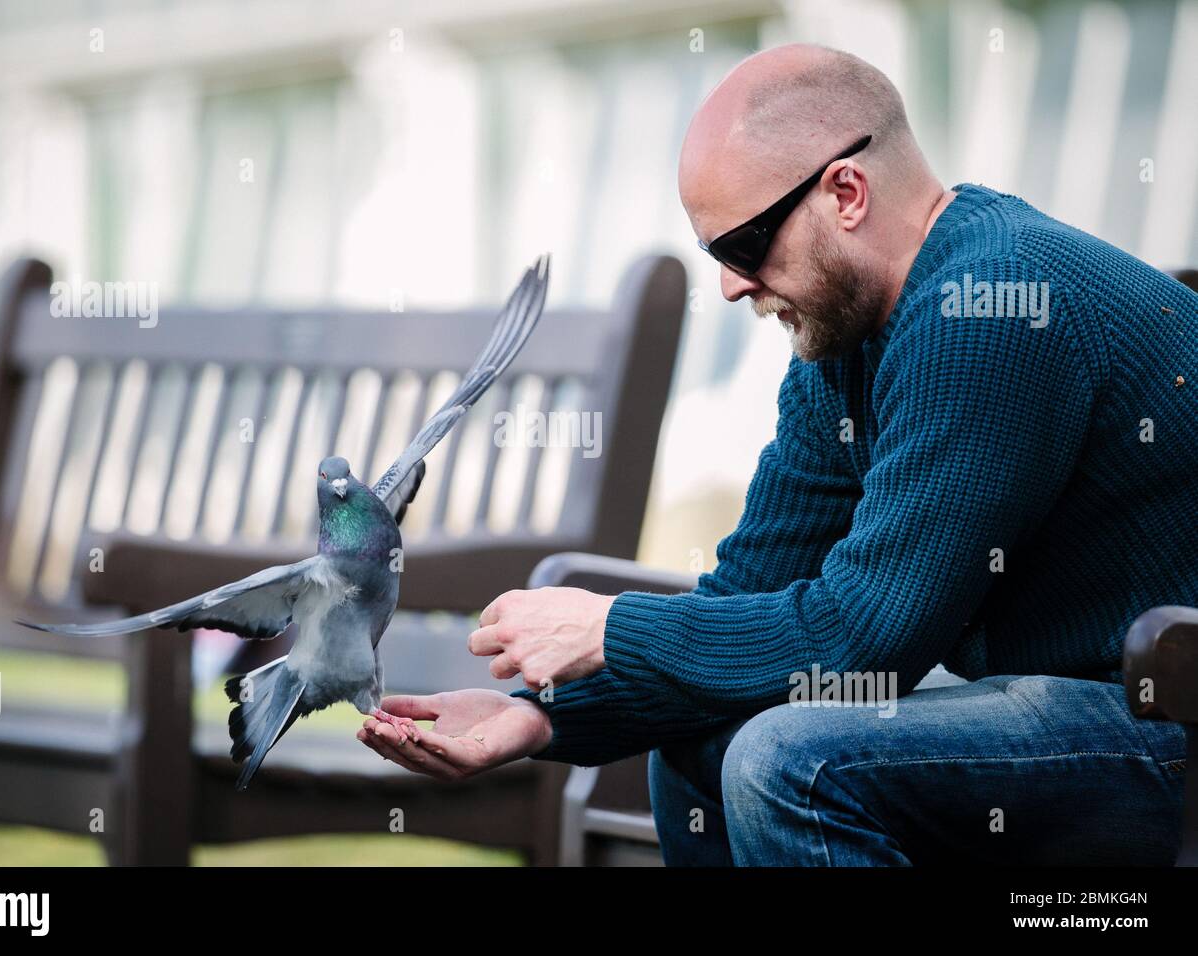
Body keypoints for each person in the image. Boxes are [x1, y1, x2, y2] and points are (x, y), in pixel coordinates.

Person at [356, 43, 1196, 865]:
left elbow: (867, 638)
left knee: (790, 763)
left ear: (846, 191)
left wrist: (613, 626)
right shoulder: (844, 347)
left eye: (744, 246)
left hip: (1167, 718)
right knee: (703, 745)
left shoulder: (989, 309)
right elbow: (753, 593)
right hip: (1083, 711)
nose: (730, 284)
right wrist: (544, 717)